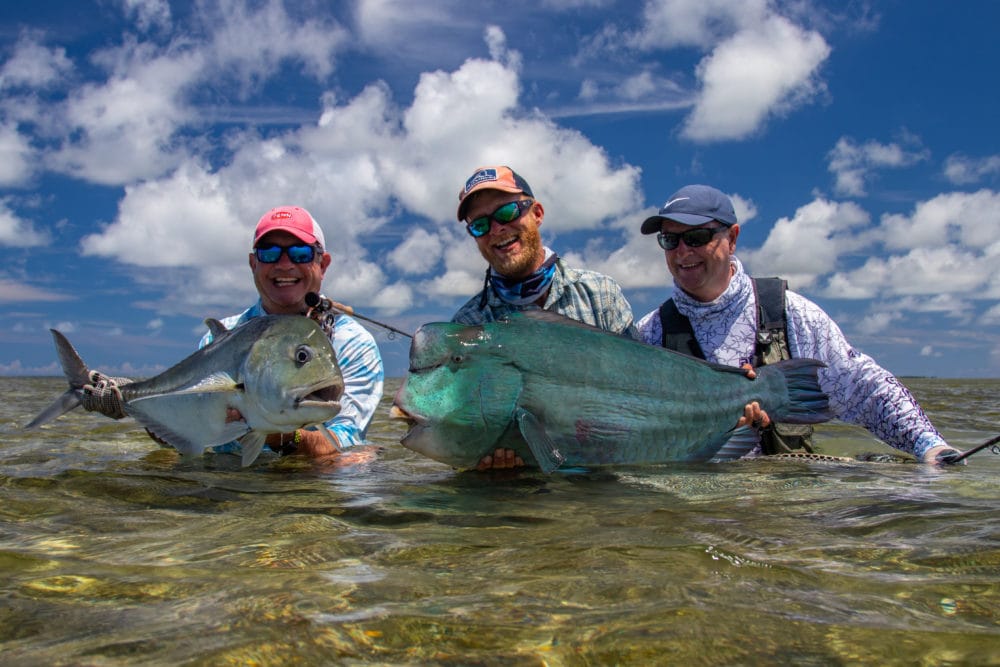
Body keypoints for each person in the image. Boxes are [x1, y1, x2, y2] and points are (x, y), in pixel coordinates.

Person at [635, 184, 963, 465]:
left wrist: (929, 446)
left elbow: (864, 389)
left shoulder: (791, 314)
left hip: (786, 515)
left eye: (696, 237)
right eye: (670, 240)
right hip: (684, 515)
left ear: (732, 238)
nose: (682, 252)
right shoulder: (649, 334)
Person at [453, 165, 640, 469]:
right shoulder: (467, 325)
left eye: (507, 213)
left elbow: (644, 389)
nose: (497, 229)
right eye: (480, 225)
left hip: (604, 480)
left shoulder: (600, 294)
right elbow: (465, 427)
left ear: (537, 213)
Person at [199, 205, 384, 462]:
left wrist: (279, 435)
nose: (284, 265)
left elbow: (343, 444)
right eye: (269, 252)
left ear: (323, 263)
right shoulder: (219, 336)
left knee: (362, 461)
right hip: (225, 489)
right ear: (254, 263)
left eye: (300, 253)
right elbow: (180, 428)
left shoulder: (353, 343)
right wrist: (155, 422)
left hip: (308, 493)